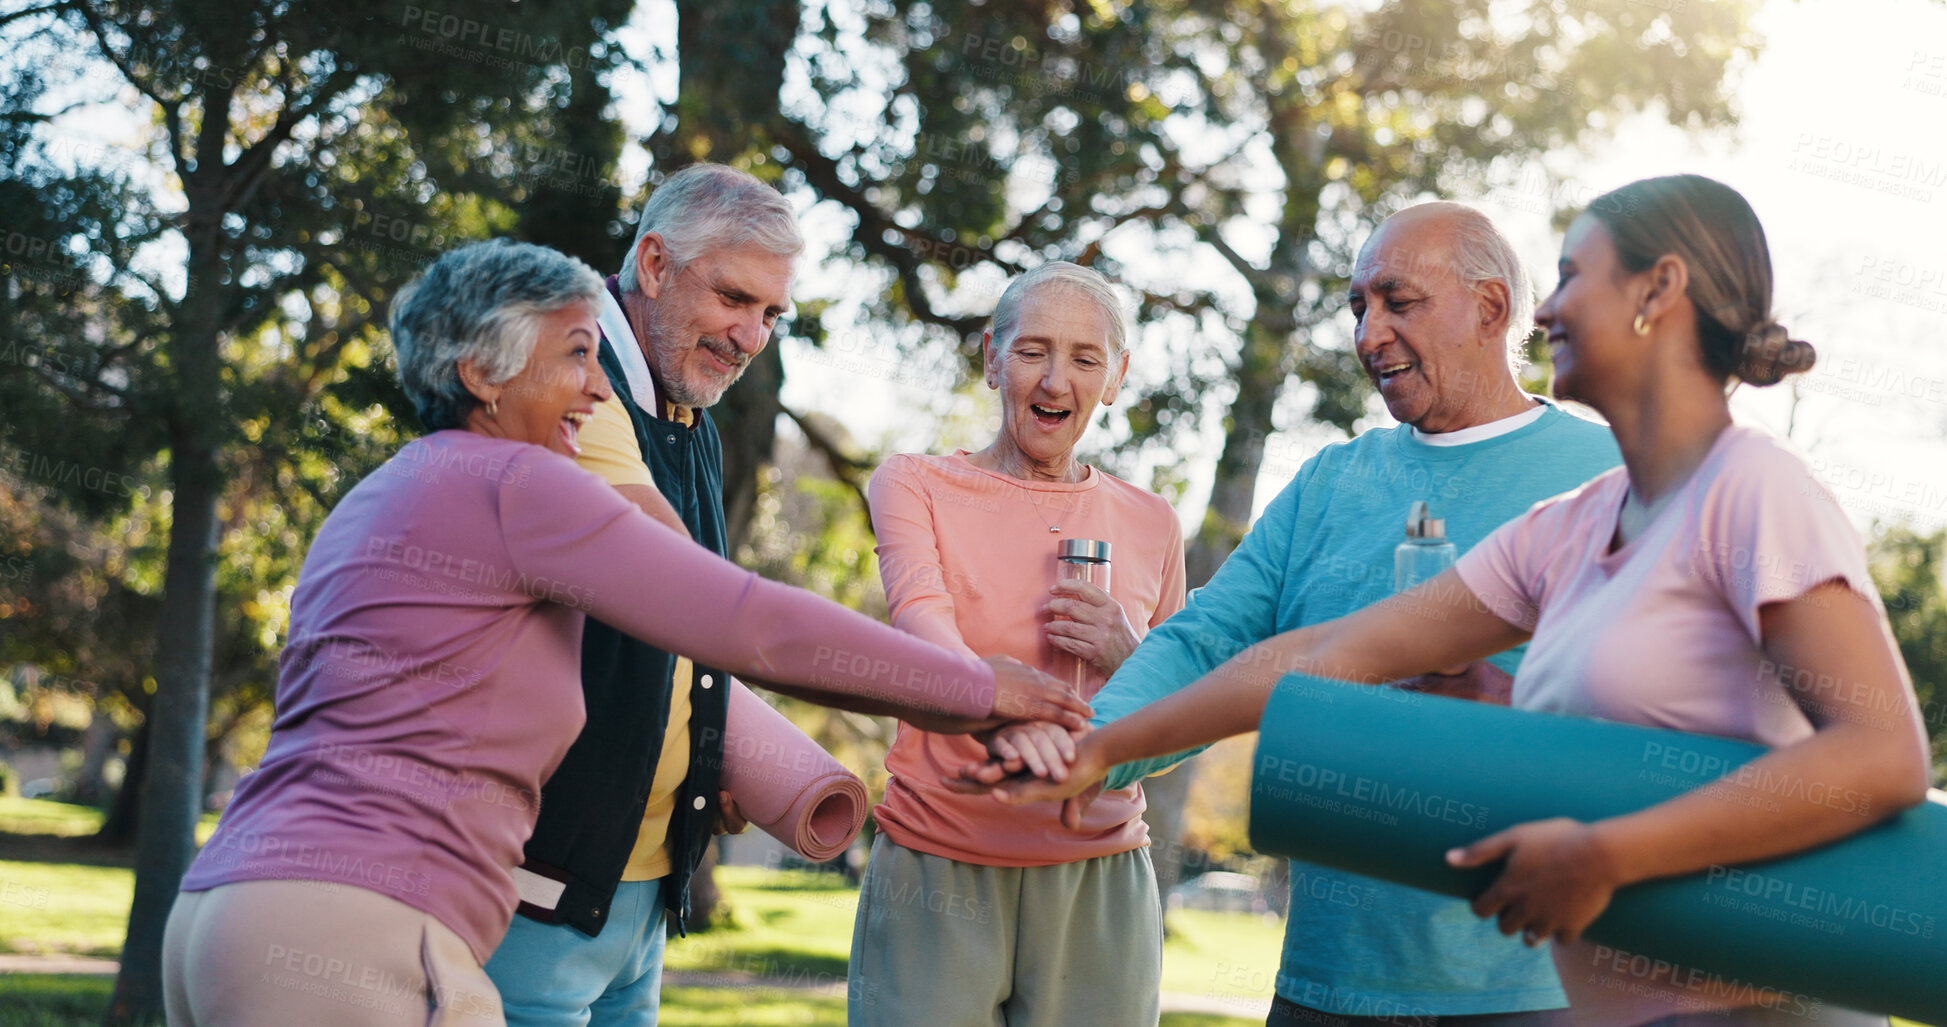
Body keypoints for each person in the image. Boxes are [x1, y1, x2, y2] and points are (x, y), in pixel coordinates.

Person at [964, 176, 1930, 1026]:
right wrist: (1098, 744)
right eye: (1355, 304)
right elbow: (1312, 651)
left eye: (1570, 275)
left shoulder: (1737, 487)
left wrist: (1601, 845)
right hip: (1465, 986)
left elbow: (1872, 754)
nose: (1546, 307)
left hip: (1666, 994)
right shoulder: (1559, 518)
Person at [159, 238, 1088, 1027]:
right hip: (360, 929)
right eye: (575, 355)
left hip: (224, 910)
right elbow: (746, 620)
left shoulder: (389, 491)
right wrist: (981, 690)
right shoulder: (520, 484)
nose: (599, 391)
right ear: (481, 373)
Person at [969, 202, 1622, 1026]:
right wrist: (1090, 744)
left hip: (1535, 991)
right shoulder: (1329, 484)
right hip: (1324, 984)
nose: (1368, 334)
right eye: (1358, 308)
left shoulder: (1606, 475)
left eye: (1397, 301)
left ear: (1489, 307)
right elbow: (1207, 644)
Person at [481, 164, 801, 1026]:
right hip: (532, 894)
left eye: (772, 314)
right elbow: (695, 594)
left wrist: (718, 753)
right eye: (734, 297)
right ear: (653, 265)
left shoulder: (688, 412)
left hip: (641, 898)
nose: (751, 336)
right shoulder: (571, 389)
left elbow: (677, 644)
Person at [847, 262, 1188, 1026]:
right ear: (990, 357)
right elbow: (922, 624)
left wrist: (1127, 653)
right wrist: (1011, 713)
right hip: (938, 856)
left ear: (1117, 376)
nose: (1055, 381)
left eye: (1085, 358)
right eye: (1032, 351)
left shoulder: (1151, 522)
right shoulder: (914, 484)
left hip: (1098, 873)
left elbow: (1180, 724)